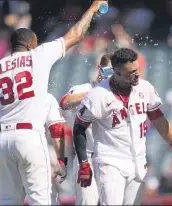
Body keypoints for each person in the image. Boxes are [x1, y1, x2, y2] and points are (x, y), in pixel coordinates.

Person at [0, 1, 108, 204]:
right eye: (36, 42)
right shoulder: (37, 55)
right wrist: (92, 9)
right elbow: (75, 35)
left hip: (2, 139)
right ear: (29, 45)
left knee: (8, 200)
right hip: (29, 135)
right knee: (42, 200)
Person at [73, 48, 172, 205]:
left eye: (137, 69)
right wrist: (84, 163)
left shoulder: (145, 88)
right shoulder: (98, 94)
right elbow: (79, 128)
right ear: (116, 73)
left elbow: (161, 123)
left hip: (138, 161)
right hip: (109, 161)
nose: (137, 74)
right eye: (131, 72)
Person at [60, 54, 113, 205]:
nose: (111, 76)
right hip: (87, 156)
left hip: (113, 157)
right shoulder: (85, 88)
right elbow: (64, 102)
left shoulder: (119, 94)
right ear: (100, 70)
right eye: (108, 71)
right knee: (87, 203)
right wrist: (95, 92)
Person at [44, 93, 67, 205]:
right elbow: (57, 128)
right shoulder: (46, 97)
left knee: (9, 197)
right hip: (35, 143)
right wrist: (62, 162)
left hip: (3, 141)